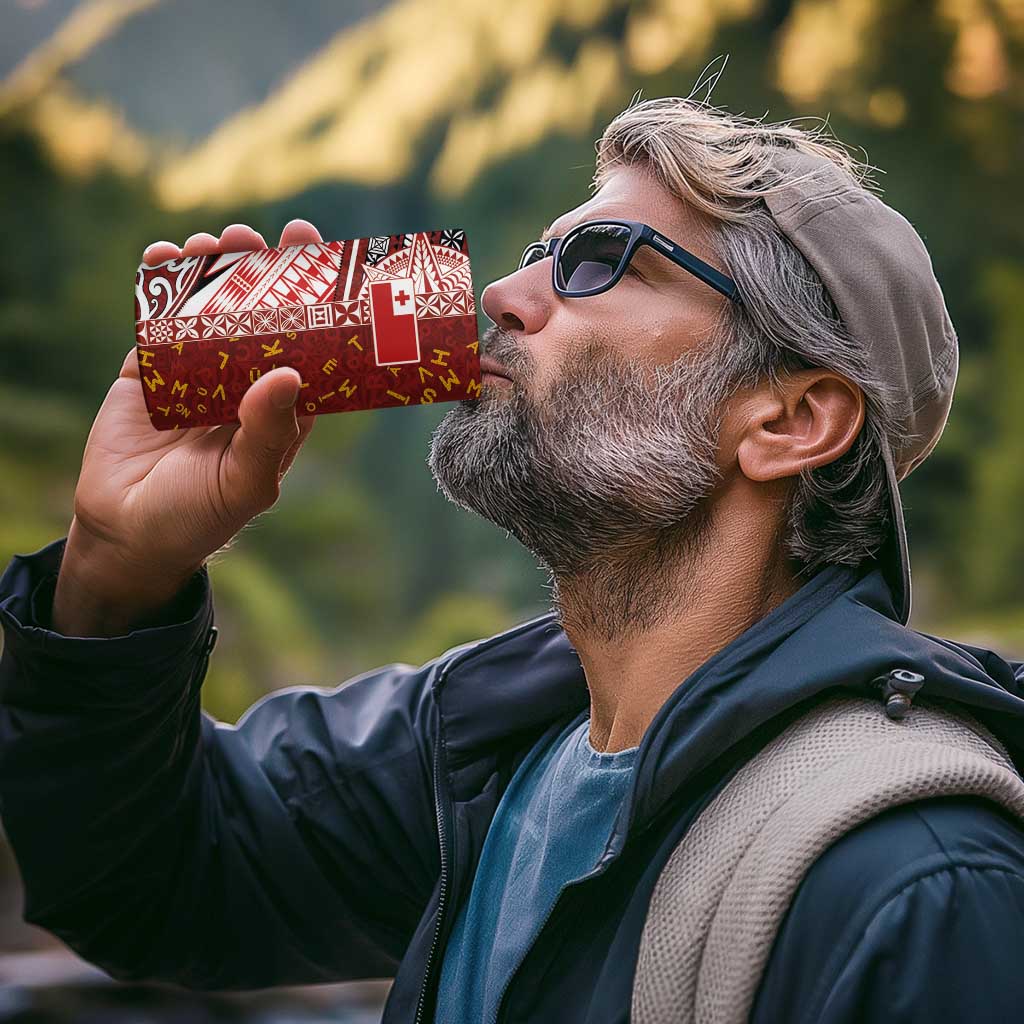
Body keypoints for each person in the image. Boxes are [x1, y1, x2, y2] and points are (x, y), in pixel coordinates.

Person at [2, 94, 1024, 1024]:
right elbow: (149, 880)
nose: (501, 292)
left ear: (790, 419)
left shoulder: (918, 884)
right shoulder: (480, 749)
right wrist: (115, 572)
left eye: (599, 261)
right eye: (540, 252)